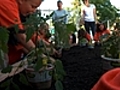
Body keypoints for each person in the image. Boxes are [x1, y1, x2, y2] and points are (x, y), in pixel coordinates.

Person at [0, 0, 43, 64]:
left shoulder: (18, 11)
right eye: (33, 6)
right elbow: (21, 36)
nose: (34, 11)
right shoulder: (8, 5)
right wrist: (42, 56)